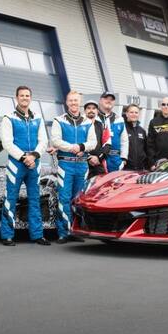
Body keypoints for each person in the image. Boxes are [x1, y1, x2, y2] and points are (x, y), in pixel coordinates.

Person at [0, 86, 50, 247]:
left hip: (34, 163)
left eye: (27, 95)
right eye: (22, 96)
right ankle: (7, 235)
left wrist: (33, 156)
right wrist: (23, 157)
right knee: (10, 199)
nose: (25, 98)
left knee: (35, 200)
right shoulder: (8, 117)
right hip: (16, 163)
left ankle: (37, 235)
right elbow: (6, 143)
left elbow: (43, 141)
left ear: (30, 98)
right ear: (16, 97)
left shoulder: (38, 118)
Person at [50, 90, 97, 244]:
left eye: (76, 100)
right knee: (64, 198)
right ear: (66, 102)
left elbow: (93, 143)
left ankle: (75, 230)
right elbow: (55, 140)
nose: (73, 103)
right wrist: (72, 147)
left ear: (80, 102)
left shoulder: (87, 122)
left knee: (77, 199)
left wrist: (81, 146)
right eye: (71, 100)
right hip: (65, 164)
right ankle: (64, 232)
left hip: (82, 165)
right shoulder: (59, 120)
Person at [98, 91, 128, 172]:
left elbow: (124, 141)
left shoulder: (119, 119)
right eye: (106, 98)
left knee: (114, 184)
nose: (109, 101)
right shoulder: (93, 118)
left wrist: (123, 158)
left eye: (111, 99)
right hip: (98, 160)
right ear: (100, 100)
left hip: (115, 160)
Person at [85, 100, 111, 179]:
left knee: (100, 186)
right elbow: (76, 144)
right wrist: (89, 158)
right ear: (85, 111)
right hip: (83, 163)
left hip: (98, 163)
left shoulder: (102, 125)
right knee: (82, 189)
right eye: (88, 108)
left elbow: (107, 144)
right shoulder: (79, 125)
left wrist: (98, 157)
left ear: (97, 111)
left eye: (94, 108)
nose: (91, 110)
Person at [123, 104, 148, 171]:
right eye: (131, 112)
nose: (134, 114)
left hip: (140, 169)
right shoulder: (122, 129)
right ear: (127, 114)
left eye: (136, 112)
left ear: (139, 114)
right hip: (125, 168)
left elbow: (146, 149)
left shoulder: (142, 131)